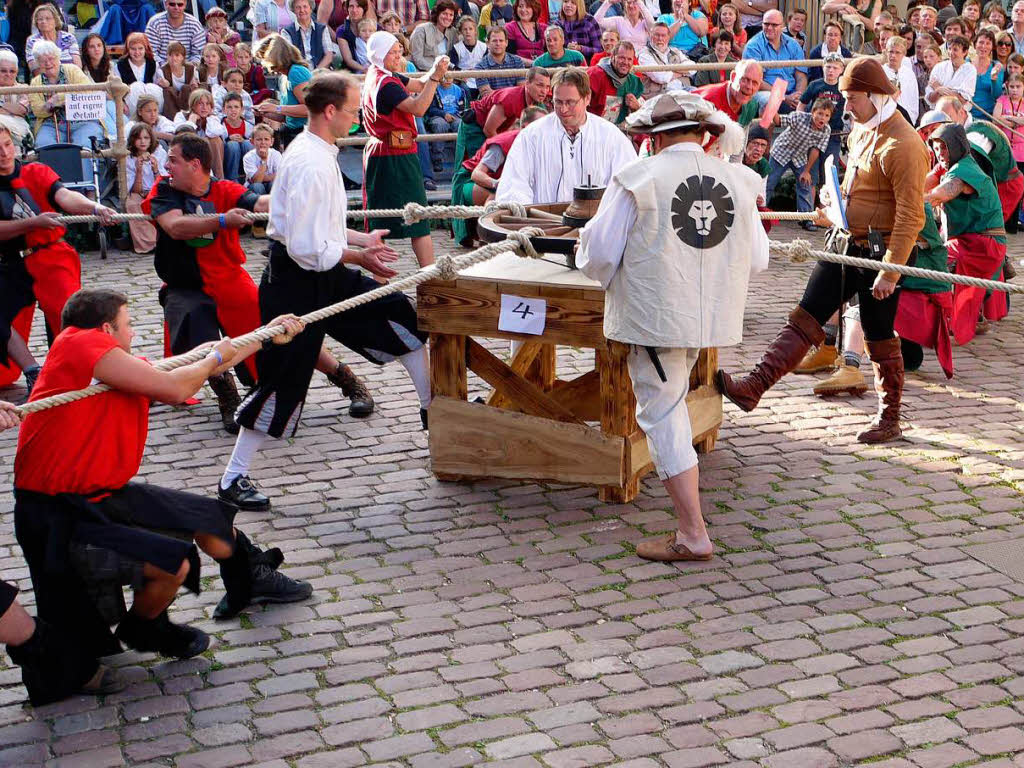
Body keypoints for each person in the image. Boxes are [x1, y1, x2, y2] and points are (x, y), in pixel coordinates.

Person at [14, 289, 312, 671]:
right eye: (129, 324)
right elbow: (178, 387)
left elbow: (197, 360)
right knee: (173, 564)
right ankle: (145, 628)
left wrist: (264, 335)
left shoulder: (105, 360)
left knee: (209, 520)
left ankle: (250, 579)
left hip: (100, 492)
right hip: (58, 507)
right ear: (106, 329)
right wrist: (215, 358)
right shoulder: (81, 343)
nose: (134, 333)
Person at [223, 72, 432, 510]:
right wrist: (358, 257)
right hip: (295, 285)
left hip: (325, 275)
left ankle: (433, 411)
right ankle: (233, 478)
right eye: (353, 111)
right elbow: (305, 247)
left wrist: (360, 241)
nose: (358, 117)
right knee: (283, 380)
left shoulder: (317, 151)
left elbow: (325, 231)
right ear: (331, 111)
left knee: (402, 317)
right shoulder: (310, 163)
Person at [577, 91, 767, 562]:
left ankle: (692, 532)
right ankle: (690, 528)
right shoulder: (739, 180)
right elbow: (759, 259)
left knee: (663, 412)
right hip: (706, 315)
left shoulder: (637, 177)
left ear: (655, 138)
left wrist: (593, 262)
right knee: (671, 405)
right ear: (704, 135)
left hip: (656, 316)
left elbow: (597, 255)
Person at [717, 57, 929, 444]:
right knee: (806, 315)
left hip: (880, 253)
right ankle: (754, 387)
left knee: (879, 334)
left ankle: (890, 417)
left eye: (853, 98)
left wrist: (890, 271)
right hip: (846, 244)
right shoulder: (863, 130)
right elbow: (853, 188)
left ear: (874, 95)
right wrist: (831, 211)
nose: (847, 107)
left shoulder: (905, 144)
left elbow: (911, 218)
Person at [363, 31, 450, 267]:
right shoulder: (387, 84)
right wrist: (436, 79)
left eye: (399, 50)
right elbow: (419, 107)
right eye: (392, 52)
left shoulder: (380, 74)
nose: (398, 54)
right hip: (395, 155)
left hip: (386, 152)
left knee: (383, 220)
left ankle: (381, 281)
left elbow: (418, 83)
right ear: (381, 55)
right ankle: (428, 275)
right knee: (418, 221)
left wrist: (434, 69)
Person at [497, 67, 637, 204]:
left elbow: (629, 185)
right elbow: (513, 185)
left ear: (587, 98)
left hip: (598, 223)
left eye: (570, 102)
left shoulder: (612, 137)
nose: (563, 109)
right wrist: (529, 220)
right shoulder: (531, 136)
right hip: (543, 224)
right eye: (558, 102)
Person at [925, 123, 1007, 344]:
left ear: (957, 146)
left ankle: (938, 318)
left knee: (933, 261)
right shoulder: (952, 166)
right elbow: (925, 183)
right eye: (936, 147)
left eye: (944, 147)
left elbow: (940, 194)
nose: (939, 153)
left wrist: (908, 200)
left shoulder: (963, 170)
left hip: (984, 244)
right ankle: (967, 316)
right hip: (972, 240)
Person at [451, 104, 547, 244]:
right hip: (468, 181)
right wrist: (499, 184)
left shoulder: (544, 145)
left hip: (503, 183)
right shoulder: (504, 143)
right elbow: (477, 175)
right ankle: (488, 237)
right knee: (497, 195)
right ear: (525, 127)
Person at [29, 42, 106, 181]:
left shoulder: (72, 70)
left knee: (84, 145)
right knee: (44, 145)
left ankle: (88, 188)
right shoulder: (35, 82)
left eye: (51, 58)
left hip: (83, 121)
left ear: (58, 57)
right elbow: (37, 110)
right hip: (51, 124)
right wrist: (49, 106)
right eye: (43, 60)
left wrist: (59, 98)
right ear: (38, 63)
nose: (48, 63)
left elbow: (87, 91)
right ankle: (54, 187)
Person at [455, 67, 550, 166]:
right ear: (527, 83)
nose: (544, 91)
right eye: (540, 85)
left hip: (497, 130)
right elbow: (489, 130)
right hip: (475, 127)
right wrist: (507, 152)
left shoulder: (538, 103)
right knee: (471, 169)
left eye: (547, 87)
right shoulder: (510, 99)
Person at [764, 98, 833, 228]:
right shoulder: (799, 117)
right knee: (769, 183)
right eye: (819, 113)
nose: (822, 118)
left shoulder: (826, 130)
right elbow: (779, 121)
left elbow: (815, 150)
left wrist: (806, 171)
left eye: (826, 115)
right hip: (781, 153)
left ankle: (805, 218)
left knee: (805, 184)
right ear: (813, 112)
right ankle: (759, 212)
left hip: (799, 157)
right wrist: (773, 107)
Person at [743, 9, 806, 112]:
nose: (769, 28)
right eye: (766, 24)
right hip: (765, 92)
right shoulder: (753, 46)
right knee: (771, 101)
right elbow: (756, 81)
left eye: (774, 25)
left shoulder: (793, 45)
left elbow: (801, 76)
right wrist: (784, 97)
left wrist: (799, 97)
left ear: (782, 26)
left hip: (792, 94)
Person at [255, 35, 312, 148]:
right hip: (291, 132)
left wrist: (277, 108)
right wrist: (266, 112)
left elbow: (309, 109)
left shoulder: (296, 72)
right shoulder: (284, 76)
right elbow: (289, 115)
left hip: (305, 134)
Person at [800, 51, 844, 186]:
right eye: (828, 67)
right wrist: (801, 124)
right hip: (814, 134)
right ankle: (809, 205)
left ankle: (826, 205)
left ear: (841, 70)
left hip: (833, 134)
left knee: (830, 173)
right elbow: (801, 105)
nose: (831, 70)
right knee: (811, 174)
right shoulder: (815, 85)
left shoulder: (843, 87)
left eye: (835, 68)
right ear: (823, 67)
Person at [125, 123, 165, 253]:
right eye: (139, 138)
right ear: (133, 140)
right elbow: (135, 190)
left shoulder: (159, 152)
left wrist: (155, 169)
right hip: (139, 191)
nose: (143, 141)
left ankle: (161, 241)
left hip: (156, 190)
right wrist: (139, 170)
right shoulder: (128, 158)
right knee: (132, 203)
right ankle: (146, 244)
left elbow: (162, 184)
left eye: (146, 138)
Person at [173, 88, 226, 178]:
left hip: (208, 154)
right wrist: (192, 121)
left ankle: (218, 179)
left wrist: (208, 120)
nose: (204, 107)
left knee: (215, 140)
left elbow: (214, 132)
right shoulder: (181, 116)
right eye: (200, 103)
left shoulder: (213, 118)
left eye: (208, 104)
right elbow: (181, 137)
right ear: (193, 105)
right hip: (188, 152)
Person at [587, 40, 643, 123]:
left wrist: (636, 107)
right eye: (622, 58)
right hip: (593, 127)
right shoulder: (594, 75)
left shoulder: (634, 82)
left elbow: (639, 116)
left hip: (620, 130)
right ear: (612, 57)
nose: (626, 62)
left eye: (629, 59)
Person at [693, 57, 763, 124]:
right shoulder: (709, 102)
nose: (749, 87)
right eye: (745, 79)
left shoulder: (751, 106)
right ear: (733, 77)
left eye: (754, 83)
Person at [118, 32, 165, 119]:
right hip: (130, 102)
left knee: (152, 87)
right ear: (128, 49)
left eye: (140, 48)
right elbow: (117, 88)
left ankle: (153, 118)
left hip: (150, 100)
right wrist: (121, 102)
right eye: (133, 49)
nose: (137, 52)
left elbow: (157, 84)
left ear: (145, 49)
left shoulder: (152, 63)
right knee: (136, 86)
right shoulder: (121, 64)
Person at [145, 0, 208, 65]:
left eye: (180, 4)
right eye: (172, 4)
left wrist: (186, 69)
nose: (176, 7)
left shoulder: (195, 24)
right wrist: (166, 68)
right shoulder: (155, 23)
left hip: (189, 70)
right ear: (166, 4)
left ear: (185, 5)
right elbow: (151, 52)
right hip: (160, 70)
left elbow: (198, 54)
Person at [638, 21, 691, 98]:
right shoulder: (644, 54)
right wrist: (683, 72)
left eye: (663, 35)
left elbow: (693, 68)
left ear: (668, 37)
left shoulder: (675, 51)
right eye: (657, 35)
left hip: (685, 89)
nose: (660, 38)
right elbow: (661, 77)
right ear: (650, 36)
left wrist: (670, 69)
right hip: (661, 95)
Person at [24, 3, 80, 75]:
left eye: (48, 18)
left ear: (55, 21)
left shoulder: (69, 38)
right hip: (45, 82)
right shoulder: (32, 41)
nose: (44, 21)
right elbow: (34, 68)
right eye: (40, 19)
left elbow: (78, 65)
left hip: (71, 79)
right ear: (36, 22)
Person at [425, 74, 466, 172]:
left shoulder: (459, 90)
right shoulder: (434, 90)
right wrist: (443, 114)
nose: (448, 80)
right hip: (438, 115)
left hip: (455, 115)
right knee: (440, 125)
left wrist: (458, 115)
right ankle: (437, 159)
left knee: (460, 125)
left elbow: (462, 107)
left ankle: (461, 159)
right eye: (444, 77)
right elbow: (431, 109)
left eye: (450, 77)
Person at [284, 0, 336, 70]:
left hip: (320, 73)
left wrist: (315, 73)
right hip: (299, 74)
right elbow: (289, 59)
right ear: (293, 10)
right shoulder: (287, 32)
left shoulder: (322, 29)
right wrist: (304, 75)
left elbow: (329, 55)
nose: (302, 10)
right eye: (298, 7)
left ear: (311, 9)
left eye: (305, 7)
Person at [474, 26, 527, 94]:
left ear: (506, 43)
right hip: (492, 104)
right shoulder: (480, 66)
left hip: (515, 103)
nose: (498, 44)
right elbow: (487, 95)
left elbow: (521, 90)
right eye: (494, 41)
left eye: (501, 40)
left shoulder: (517, 61)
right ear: (487, 43)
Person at [926, 34, 975, 105]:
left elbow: (963, 100)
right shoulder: (939, 67)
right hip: (938, 111)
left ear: (965, 52)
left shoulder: (970, 70)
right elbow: (930, 98)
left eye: (955, 49)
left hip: (959, 113)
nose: (951, 53)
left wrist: (938, 88)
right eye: (949, 49)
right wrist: (950, 92)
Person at [410, 0, 460, 69]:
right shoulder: (421, 30)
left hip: (446, 74)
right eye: (444, 13)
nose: (448, 17)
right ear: (437, 14)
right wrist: (437, 69)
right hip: (423, 73)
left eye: (451, 15)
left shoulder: (453, 32)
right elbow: (417, 59)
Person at [0, 51, 31, 154]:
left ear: (17, 72)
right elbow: (17, 109)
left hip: (20, 129)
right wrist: (12, 110)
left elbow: (21, 110)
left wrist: (1, 105)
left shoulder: (23, 88)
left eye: (12, 71)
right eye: (3, 71)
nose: (8, 74)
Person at [970, 28, 1005, 121]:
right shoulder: (966, 64)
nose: (983, 46)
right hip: (968, 116)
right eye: (981, 42)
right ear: (975, 44)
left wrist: (994, 79)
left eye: (988, 43)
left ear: (992, 47)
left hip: (988, 117)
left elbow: (997, 96)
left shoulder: (997, 66)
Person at [882, 36, 918, 125]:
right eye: (891, 52)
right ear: (886, 52)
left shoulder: (909, 74)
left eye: (897, 52)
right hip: (887, 120)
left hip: (907, 120)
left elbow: (914, 100)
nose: (893, 56)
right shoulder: (880, 72)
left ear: (904, 54)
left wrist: (911, 119)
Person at [160, 41, 200, 119]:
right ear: (167, 57)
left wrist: (194, 84)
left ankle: (188, 115)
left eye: (177, 55)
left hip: (187, 97)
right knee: (167, 90)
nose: (173, 58)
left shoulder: (191, 69)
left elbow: (196, 84)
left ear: (183, 57)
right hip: (172, 98)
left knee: (186, 88)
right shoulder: (163, 70)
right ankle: (172, 119)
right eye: (170, 55)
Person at [221, 93, 255, 182]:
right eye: (229, 107)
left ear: (242, 110)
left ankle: (249, 176)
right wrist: (228, 139)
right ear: (224, 110)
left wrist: (244, 140)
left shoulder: (248, 126)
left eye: (236, 107)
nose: (233, 110)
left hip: (243, 161)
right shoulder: (220, 126)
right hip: (229, 160)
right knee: (233, 145)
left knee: (248, 143)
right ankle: (232, 179)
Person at [451, 15, 487, 98]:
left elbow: (486, 65)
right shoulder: (457, 48)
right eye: (465, 29)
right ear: (460, 31)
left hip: (480, 77)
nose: (468, 32)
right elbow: (453, 66)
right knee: (465, 90)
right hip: (464, 79)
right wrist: (461, 74)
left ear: (475, 31)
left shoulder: (483, 47)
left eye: (470, 29)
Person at [244, 123, 282, 196]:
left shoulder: (276, 154)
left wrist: (264, 178)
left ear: (272, 142)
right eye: (259, 139)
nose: (263, 142)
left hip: (270, 183)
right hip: (254, 186)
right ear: (252, 141)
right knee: (257, 186)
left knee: (274, 184)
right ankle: (262, 206)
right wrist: (263, 160)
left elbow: (280, 176)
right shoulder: (248, 157)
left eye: (266, 139)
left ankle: (273, 206)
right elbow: (257, 180)